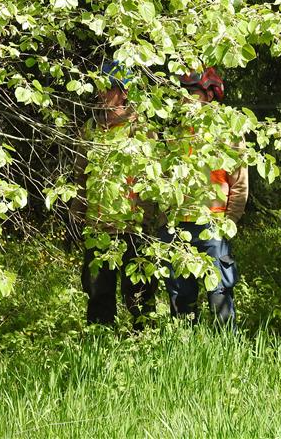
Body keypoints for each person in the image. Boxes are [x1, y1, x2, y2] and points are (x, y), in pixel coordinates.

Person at [69, 62, 158, 330]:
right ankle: (100, 342)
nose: (100, 93)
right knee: (98, 294)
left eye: (107, 88)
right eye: (99, 87)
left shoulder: (143, 130)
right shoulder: (90, 130)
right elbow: (80, 177)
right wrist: (76, 209)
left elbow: (156, 181)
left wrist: (152, 220)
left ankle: (144, 343)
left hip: (134, 228)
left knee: (139, 295)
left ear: (124, 92)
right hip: (98, 228)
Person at [159, 68, 248, 326]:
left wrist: (227, 223)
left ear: (209, 95)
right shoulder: (173, 131)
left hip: (213, 226)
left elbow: (239, 184)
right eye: (182, 93)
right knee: (179, 294)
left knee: (219, 291)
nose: (185, 99)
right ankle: (183, 346)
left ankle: (225, 346)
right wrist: (165, 220)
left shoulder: (228, 131)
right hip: (176, 226)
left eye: (192, 93)